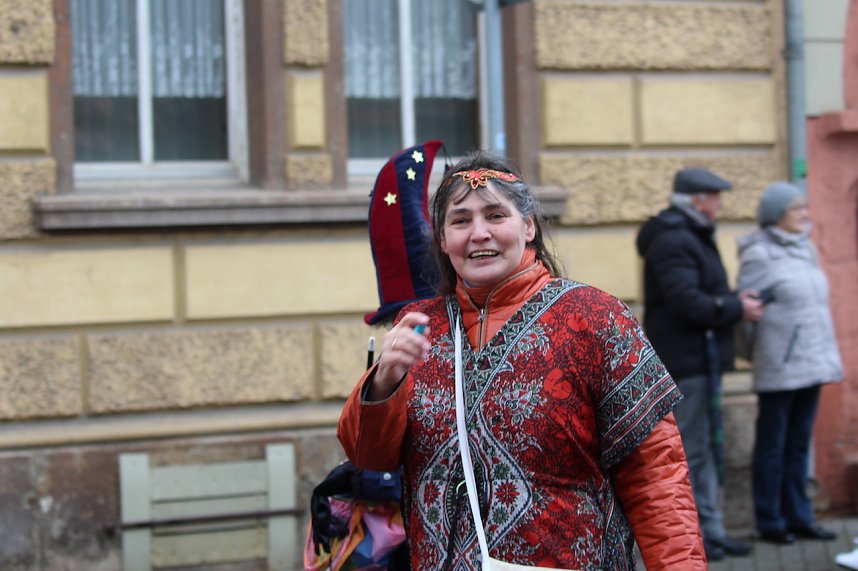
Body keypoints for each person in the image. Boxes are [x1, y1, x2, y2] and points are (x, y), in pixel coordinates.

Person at [339, 150, 706, 570]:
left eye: (496, 215)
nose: (479, 233)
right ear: (442, 240)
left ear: (528, 226)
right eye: (460, 221)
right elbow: (368, 457)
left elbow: (657, 477)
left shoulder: (594, 317)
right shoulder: (420, 326)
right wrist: (384, 381)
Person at [635, 167, 764, 561]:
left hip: (700, 360)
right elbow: (687, 301)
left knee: (705, 450)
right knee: (689, 453)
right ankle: (692, 539)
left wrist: (731, 300)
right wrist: (735, 307)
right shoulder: (675, 239)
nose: (720, 204)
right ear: (697, 200)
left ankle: (711, 531)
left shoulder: (689, 234)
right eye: (715, 196)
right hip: (686, 362)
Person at [736, 182, 843, 544]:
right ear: (776, 216)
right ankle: (771, 521)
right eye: (796, 210)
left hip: (811, 362)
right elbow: (747, 313)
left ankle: (800, 516)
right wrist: (757, 356)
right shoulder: (759, 255)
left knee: (799, 444)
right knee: (773, 445)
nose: (803, 215)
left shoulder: (806, 249)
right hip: (779, 365)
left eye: (803, 209)